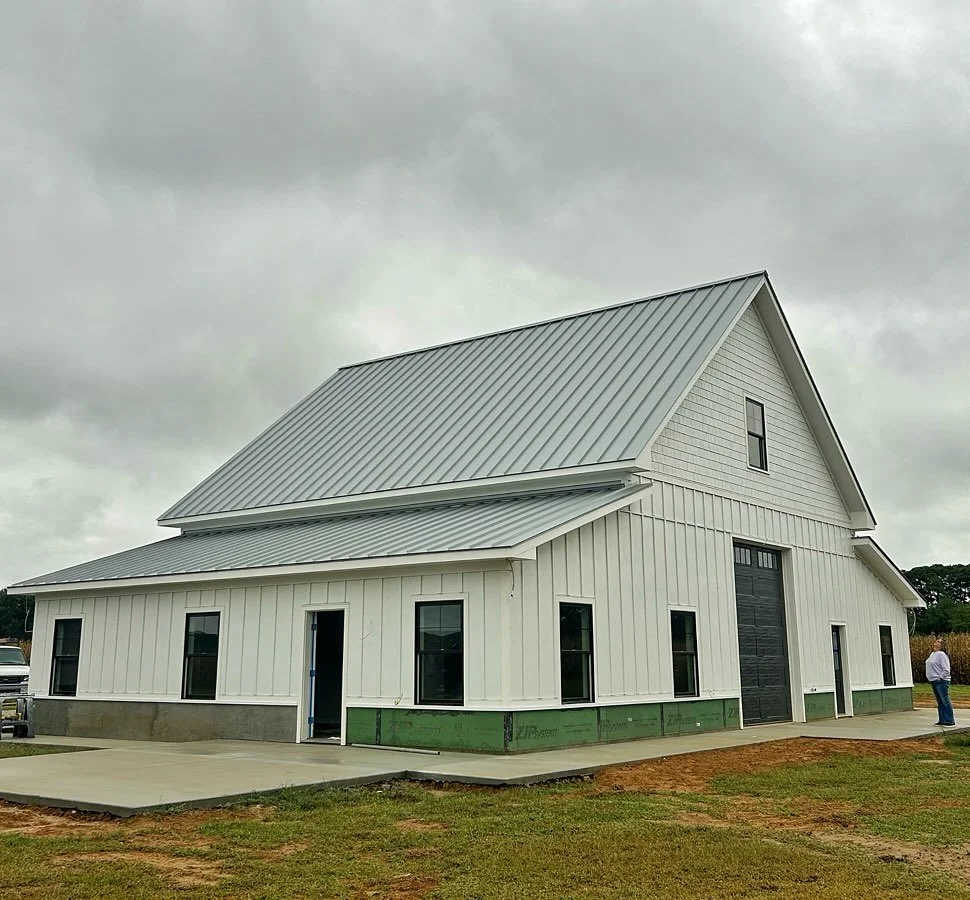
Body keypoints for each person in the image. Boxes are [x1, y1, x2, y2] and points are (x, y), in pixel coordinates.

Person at [926, 640, 956, 727]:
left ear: (942, 645)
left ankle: (949, 720)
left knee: (944, 700)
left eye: (939, 641)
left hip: (941, 681)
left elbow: (946, 669)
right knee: (940, 701)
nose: (936, 642)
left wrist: (940, 677)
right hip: (933, 681)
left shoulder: (941, 654)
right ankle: (942, 719)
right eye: (936, 641)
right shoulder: (933, 654)